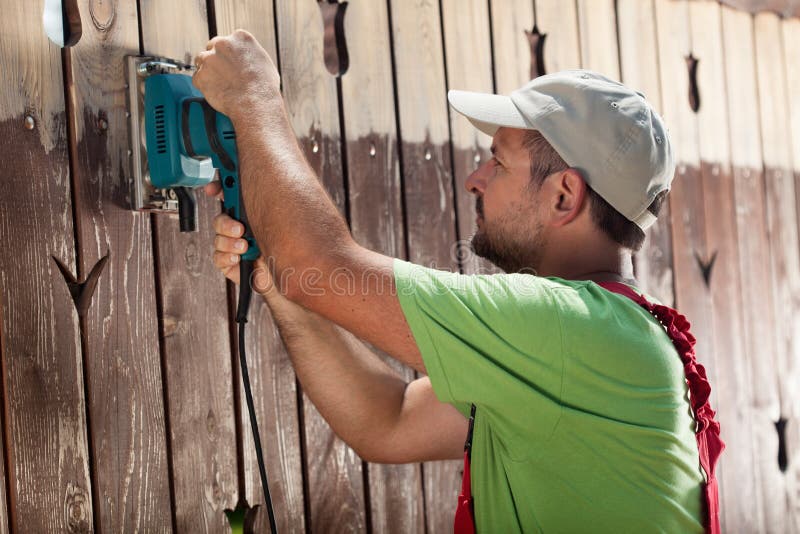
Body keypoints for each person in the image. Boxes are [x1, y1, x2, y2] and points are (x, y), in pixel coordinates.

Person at [197, 30, 719, 532]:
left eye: (498, 162)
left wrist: (253, 94)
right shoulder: (600, 341)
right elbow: (389, 421)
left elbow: (318, 267)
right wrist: (278, 284)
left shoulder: (569, 328)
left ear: (564, 195)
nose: (474, 180)